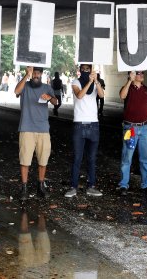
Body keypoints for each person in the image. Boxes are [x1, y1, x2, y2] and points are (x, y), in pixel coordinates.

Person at [15, 66, 59, 201]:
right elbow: (16, 91)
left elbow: (56, 102)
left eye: (38, 73)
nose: (36, 75)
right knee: (25, 160)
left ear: (41, 74)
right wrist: (25, 76)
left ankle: (40, 186)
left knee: (43, 159)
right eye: (33, 73)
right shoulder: (25, 86)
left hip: (43, 129)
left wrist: (50, 97)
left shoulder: (46, 87)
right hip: (26, 128)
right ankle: (24, 188)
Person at [64, 64, 104, 198]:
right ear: (80, 71)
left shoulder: (95, 82)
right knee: (77, 158)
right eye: (84, 69)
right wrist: (89, 82)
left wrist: (96, 81)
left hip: (93, 124)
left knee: (92, 158)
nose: (86, 71)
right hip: (79, 124)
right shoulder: (76, 82)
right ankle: (73, 187)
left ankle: (91, 186)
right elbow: (80, 95)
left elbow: (101, 94)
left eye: (88, 69)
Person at [118, 70, 147, 195]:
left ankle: (146, 184)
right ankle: (124, 185)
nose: (142, 75)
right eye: (139, 73)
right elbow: (122, 96)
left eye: (142, 73)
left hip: (145, 127)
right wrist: (130, 80)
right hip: (130, 128)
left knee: (145, 158)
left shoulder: (146, 90)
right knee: (127, 157)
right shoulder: (127, 88)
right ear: (132, 75)